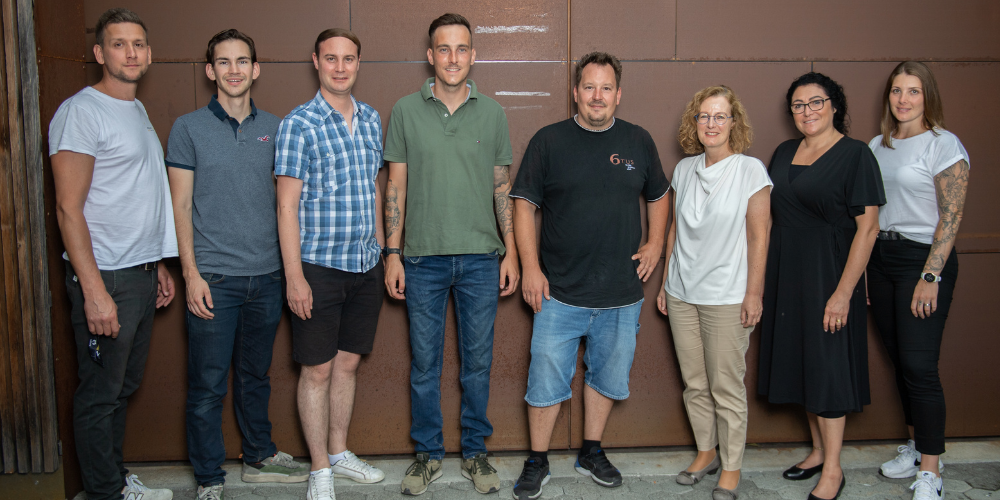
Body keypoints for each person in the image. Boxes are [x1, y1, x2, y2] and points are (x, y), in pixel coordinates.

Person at [510, 51, 670, 500]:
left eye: (605, 88)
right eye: (588, 87)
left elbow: (659, 195)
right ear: (575, 92)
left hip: (621, 292)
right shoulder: (549, 141)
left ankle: (591, 451)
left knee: (606, 377)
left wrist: (656, 242)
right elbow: (523, 204)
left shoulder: (639, 141)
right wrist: (530, 268)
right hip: (558, 291)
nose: (596, 96)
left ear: (618, 95)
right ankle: (537, 459)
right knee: (545, 378)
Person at [166, 29, 309, 500]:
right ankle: (209, 477)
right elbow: (180, 207)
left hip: (266, 277)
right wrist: (190, 274)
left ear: (256, 68)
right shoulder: (188, 128)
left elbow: (288, 202)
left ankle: (258, 455)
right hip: (215, 279)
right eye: (223, 62)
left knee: (256, 376)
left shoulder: (278, 125)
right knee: (207, 386)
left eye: (242, 61)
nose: (233, 70)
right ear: (210, 70)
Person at [383, 12, 519, 496]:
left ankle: (476, 452)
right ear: (431, 55)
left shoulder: (494, 113)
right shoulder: (404, 110)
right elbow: (394, 185)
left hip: (483, 257)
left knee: (477, 364)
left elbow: (501, 186)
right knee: (424, 365)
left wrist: (512, 254)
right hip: (421, 259)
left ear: (473, 55)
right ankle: (427, 455)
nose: (453, 58)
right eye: (444, 49)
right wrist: (392, 254)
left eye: (462, 49)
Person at [49, 8, 177, 500]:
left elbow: (135, 194)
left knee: (121, 389)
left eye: (139, 44)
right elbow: (68, 209)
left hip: (139, 273)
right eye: (120, 44)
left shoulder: (134, 109)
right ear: (100, 53)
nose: (131, 53)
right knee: (101, 394)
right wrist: (95, 291)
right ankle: (104, 493)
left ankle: (115, 482)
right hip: (107, 277)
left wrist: (158, 261)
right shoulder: (81, 111)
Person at [757, 72, 885, 500]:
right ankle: (816, 451)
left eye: (815, 102)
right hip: (786, 274)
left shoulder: (855, 154)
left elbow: (868, 230)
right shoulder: (785, 150)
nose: (806, 111)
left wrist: (844, 292)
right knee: (803, 364)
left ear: (834, 105)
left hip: (828, 274)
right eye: (798, 104)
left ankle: (834, 469)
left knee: (828, 369)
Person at [275, 28, 386, 500]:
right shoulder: (298, 124)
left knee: (347, 365)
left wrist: (382, 251)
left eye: (349, 58)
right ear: (316, 62)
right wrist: (295, 277)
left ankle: (339, 453)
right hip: (317, 266)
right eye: (331, 58)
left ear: (358, 63)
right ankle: (319, 469)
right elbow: (285, 206)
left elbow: (374, 189)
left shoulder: (371, 119)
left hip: (366, 264)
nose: (340, 67)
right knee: (316, 370)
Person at [656, 85, 771, 500]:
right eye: (704, 116)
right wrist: (668, 282)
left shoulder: (750, 170)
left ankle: (732, 468)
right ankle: (706, 453)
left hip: (727, 296)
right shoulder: (684, 170)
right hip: (683, 292)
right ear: (695, 122)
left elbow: (759, 237)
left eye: (720, 116)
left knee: (726, 386)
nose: (711, 124)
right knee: (695, 383)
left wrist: (753, 293)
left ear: (733, 123)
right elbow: (674, 231)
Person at [867, 61, 969, 500]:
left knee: (921, 367)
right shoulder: (878, 144)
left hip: (921, 260)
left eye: (913, 91)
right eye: (896, 91)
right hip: (881, 258)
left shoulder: (944, 145)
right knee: (900, 362)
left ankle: (932, 469)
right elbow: (870, 211)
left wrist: (932, 274)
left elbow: (952, 215)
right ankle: (914, 446)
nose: (903, 99)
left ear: (928, 96)